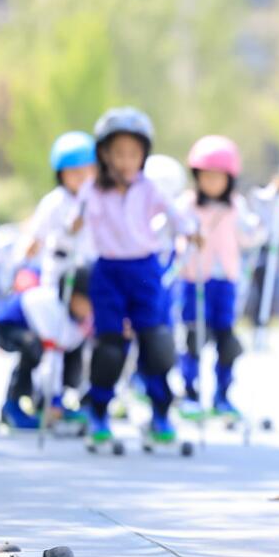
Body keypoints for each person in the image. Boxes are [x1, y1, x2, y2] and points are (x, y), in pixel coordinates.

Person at [72, 107, 196, 451]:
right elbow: (75, 221)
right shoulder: (93, 190)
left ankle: (160, 413)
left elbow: (176, 217)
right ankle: (97, 411)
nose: (126, 161)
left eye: (133, 153)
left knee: (155, 342)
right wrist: (71, 230)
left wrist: (191, 232)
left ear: (143, 155)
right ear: (104, 155)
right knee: (111, 346)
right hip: (108, 271)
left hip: (144, 269)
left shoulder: (149, 189)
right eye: (118, 154)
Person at [177, 135, 262, 422]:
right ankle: (189, 392)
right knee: (194, 337)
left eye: (218, 177)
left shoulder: (236, 206)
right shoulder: (187, 204)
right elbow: (174, 233)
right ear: (197, 177)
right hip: (194, 280)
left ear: (229, 179)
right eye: (206, 176)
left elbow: (249, 236)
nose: (212, 183)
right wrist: (188, 240)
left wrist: (266, 225)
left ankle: (222, 395)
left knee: (226, 340)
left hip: (224, 282)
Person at [0, 267, 92, 431]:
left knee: (74, 352)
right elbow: (51, 360)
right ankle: (11, 407)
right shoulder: (53, 311)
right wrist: (54, 400)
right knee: (33, 347)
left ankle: (46, 404)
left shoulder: (80, 318)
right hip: (5, 326)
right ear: (74, 298)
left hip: (35, 333)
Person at [19, 131, 97, 289]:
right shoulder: (54, 202)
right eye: (74, 172)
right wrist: (23, 264)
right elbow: (36, 237)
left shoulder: (100, 199)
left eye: (86, 170)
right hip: (58, 273)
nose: (81, 177)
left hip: (89, 273)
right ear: (61, 174)